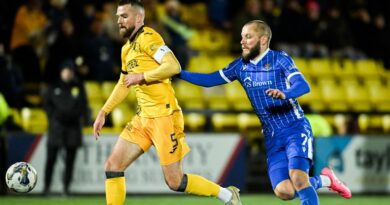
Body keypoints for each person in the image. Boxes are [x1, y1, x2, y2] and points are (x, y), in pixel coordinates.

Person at [178, 20, 352, 205]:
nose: (242, 41)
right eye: (242, 37)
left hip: (295, 127)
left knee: (299, 178)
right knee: (284, 191)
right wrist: (178, 73)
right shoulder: (240, 66)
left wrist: (286, 93)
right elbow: (209, 79)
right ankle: (326, 180)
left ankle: (321, 182)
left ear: (263, 40)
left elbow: (303, 85)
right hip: (272, 136)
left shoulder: (280, 59)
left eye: (248, 37)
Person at [92, 1, 241, 205]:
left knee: (175, 181)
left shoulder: (149, 38)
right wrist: (104, 111)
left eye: (124, 16)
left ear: (138, 18)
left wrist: (143, 76)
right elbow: (123, 82)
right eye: (118, 16)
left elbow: (173, 66)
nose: (119, 21)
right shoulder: (126, 49)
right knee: (113, 165)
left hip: (164, 117)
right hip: (143, 118)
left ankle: (226, 195)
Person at [43, 60, 89, 195]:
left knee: (70, 160)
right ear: (61, 71)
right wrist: (53, 117)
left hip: (73, 127)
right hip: (56, 127)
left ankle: (66, 189)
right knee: (51, 159)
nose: (68, 73)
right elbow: (47, 104)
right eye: (66, 70)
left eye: (70, 71)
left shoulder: (78, 86)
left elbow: (83, 105)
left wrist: (75, 116)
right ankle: (46, 188)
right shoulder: (53, 86)